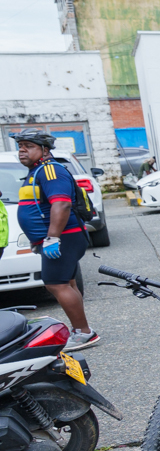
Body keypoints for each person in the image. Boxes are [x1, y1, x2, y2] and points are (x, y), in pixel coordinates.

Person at [10, 129, 98, 350]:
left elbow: (61, 204)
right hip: (58, 238)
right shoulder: (37, 171)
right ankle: (80, 329)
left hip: (64, 237)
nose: (22, 150)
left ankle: (84, 332)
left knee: (55, 283)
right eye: (20, 146)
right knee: (67, 282)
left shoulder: (50, 171)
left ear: (45, 150)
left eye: (28, 146)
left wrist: (52, 238)